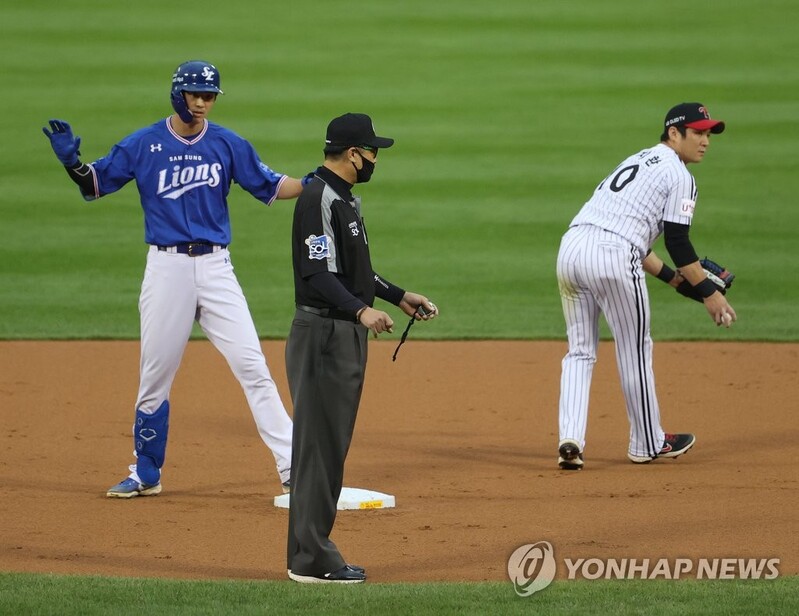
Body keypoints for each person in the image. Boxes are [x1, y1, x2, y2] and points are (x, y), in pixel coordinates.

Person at [42, 60, 307, 497]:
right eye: (195, 94)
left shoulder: (228, 144)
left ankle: (294, 467)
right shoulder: (144, 144)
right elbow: (95, 183)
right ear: (177, 93)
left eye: (210, 96)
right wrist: (72, 164)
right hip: (166, 270)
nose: (203, 103)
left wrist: (319, 180)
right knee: (155, 376)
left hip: (217, 269)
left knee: (253, 368)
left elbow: (274, 186)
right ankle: (147, 471)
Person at [284, 113, 438, 584]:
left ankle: (312, 554)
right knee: (319, 449)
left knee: (331, 446)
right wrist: (360, 312)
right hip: (325, 335)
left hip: (339, 332)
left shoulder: (344, 199)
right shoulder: (319, 198)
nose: (375, 158)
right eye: (372, 151)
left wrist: (396, 296)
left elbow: (354, 272)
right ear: (353, 154)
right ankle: (311, 559)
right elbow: (318, 275)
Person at [555, 102, 736, 470]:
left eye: (708, 134)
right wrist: (709, 293)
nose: (705, 141)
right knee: (634, 348)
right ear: (674, 133)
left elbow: (636, 238)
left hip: (571, 250)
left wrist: (673, 279)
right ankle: (648, 443)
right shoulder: (680, 175)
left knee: (580, 350)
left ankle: (570, 439)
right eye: (698, 133)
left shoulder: (638, 160)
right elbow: (678, 243)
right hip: (615, 255)